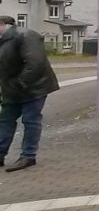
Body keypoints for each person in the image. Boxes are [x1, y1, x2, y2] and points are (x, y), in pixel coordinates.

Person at [0, 15, 59, 172]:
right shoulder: (3, 40)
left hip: (34, 87)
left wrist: (21, 83)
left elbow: (35, 62)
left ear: (2, 24)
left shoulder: (25, 35)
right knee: (5, 120)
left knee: (30, 120)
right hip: (11, 89)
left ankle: (28, 156)